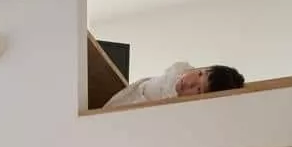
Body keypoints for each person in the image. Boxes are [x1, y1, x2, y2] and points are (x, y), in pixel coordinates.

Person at [103, 62, 245, 110]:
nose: (189, 83)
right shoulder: (179, 70)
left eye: (198, 89)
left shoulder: (176, 108)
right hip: (129, 93)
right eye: (200, 74)